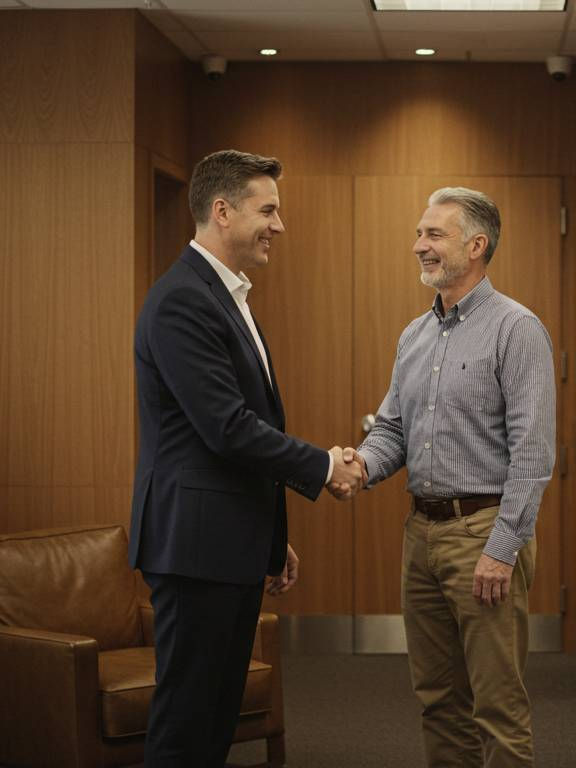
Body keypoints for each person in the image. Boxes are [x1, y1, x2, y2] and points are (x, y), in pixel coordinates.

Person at [129, 149, 366, 766]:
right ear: (222, 210)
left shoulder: (225, 293)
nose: (279, 226)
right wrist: (322, 465)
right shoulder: (183, 298)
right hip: (194, 550)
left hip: (222, 543)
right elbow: (226, 428)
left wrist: (267, 536)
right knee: (187, 725)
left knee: (215, 722)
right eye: (269, 211)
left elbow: (242, 429)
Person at [346, 187, 555, 767]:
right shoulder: (413, 337)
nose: (419, 246)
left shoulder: (517, 330)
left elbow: (534, 453)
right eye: (419, 234)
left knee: (498, 707)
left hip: (482, 536)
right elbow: (392, 430)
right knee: (438, 701)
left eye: (434, 235)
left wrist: (502, 548)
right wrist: (360, 466)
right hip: (422, 536)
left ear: (477, 245)